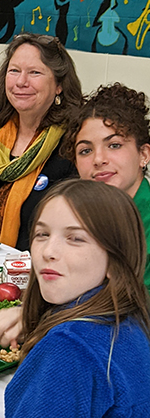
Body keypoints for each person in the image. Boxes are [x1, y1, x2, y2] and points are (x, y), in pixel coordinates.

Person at [0, 179, 150, 418]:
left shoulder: (69, 350)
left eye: (75, 239)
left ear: (116, 261)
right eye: (42, 234)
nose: (48, 251)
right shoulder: (131, 321)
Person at [0, 33, 82, 250]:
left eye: (35, 72)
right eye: (14, 71)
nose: (21, 82)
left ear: (59, 85)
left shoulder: (72, 145)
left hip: (30, 275)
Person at [61, 83, 150, 290]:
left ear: (143, 155)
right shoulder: (75, 215)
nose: (98, 159)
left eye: (114, 145)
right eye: (85, 151)